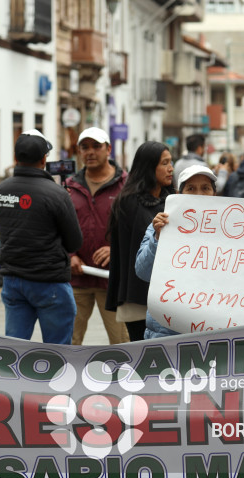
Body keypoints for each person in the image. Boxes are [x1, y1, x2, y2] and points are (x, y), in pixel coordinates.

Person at [0, 129, 82, 344]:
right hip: (48, 281)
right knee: (57, 352)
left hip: (13, 280)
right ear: (44, 159)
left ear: (16, 158)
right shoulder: (56, 194)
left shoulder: (1, 190)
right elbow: (74, 242)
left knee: (15, 349)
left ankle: (13, 378)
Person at [135, 165, 218, 339]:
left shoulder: (228, 232)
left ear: (214, 194)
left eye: (205, 188)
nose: (199, 194)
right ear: (179, 194)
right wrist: (158, 238)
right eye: (191, 188)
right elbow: (143, 272)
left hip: (211, 331)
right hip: (166, 331)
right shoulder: (160, 225)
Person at [65, 127, 130, 345]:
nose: (90, 152)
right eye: (84, 147)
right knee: (68, 342)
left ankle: (127, 378)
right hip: (78, 277)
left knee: (122, 342)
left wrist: (116, 250)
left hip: (112, 280)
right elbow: (59, 226)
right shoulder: (69, 187)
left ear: (108, 149)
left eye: (96, 146)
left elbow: (137, 227)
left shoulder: (126, 185)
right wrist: (70, 254)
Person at [106, 141, 174, 342]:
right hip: (137, 297)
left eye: (171, 162)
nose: (170, 168)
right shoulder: (128, 202)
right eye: (164, 163)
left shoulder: (173, 200)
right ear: (148, 167)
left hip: (168, 296)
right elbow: (128, 252)